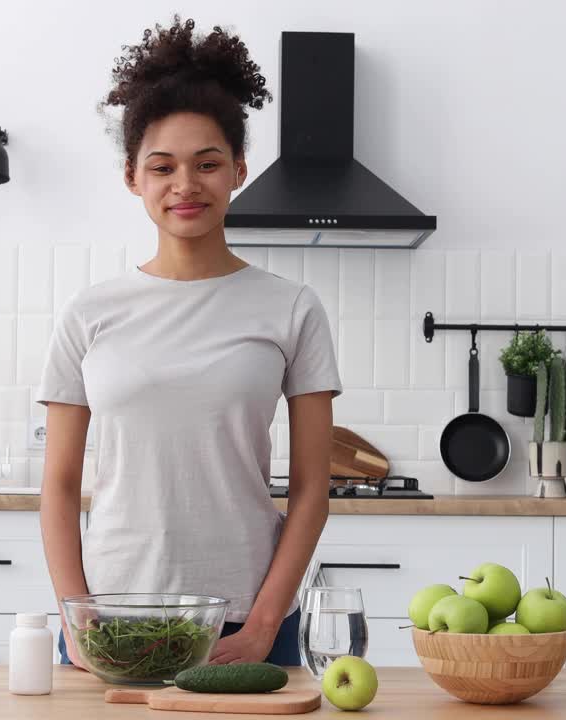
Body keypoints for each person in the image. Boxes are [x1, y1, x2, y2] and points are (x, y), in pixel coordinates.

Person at [37, 16, 342, 668]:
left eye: (207, 164)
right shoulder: (89, 313)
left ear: (238, 170)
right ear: (132, 178)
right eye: (162, 167)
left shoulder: (291, 308)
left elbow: (314, 488)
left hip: (246, 619)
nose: (185, 185)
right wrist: (76, 615)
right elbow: (59, 485)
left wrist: (263, 625)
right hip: (110, 617)